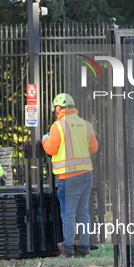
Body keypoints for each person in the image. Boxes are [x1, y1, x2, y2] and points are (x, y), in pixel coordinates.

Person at [42, 93, 98, 258]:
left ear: (58, 108)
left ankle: (67, 251)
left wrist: (45, 139)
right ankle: (84, 249)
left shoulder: (58, 126)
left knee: (68, 214)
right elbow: (94, 148)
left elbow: (51, 149)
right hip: (86, 174)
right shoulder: (86, 125)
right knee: (83, 213)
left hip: (68, 176)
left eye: (55, 109)